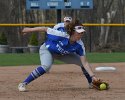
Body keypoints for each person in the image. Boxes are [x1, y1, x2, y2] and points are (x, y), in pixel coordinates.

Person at [18, 19, 99, 92]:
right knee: (46, 67)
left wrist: (93, 76)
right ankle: (23, 83)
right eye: (79, 32)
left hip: (62, 54)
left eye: (82, 32)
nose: (81, 34)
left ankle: (90, 83)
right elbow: (45, 29)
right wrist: (29, 30)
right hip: (47, 50)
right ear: (73, 32)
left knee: (82, 64)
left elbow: (85, 62)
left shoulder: (80, 44)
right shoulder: (60, 35)